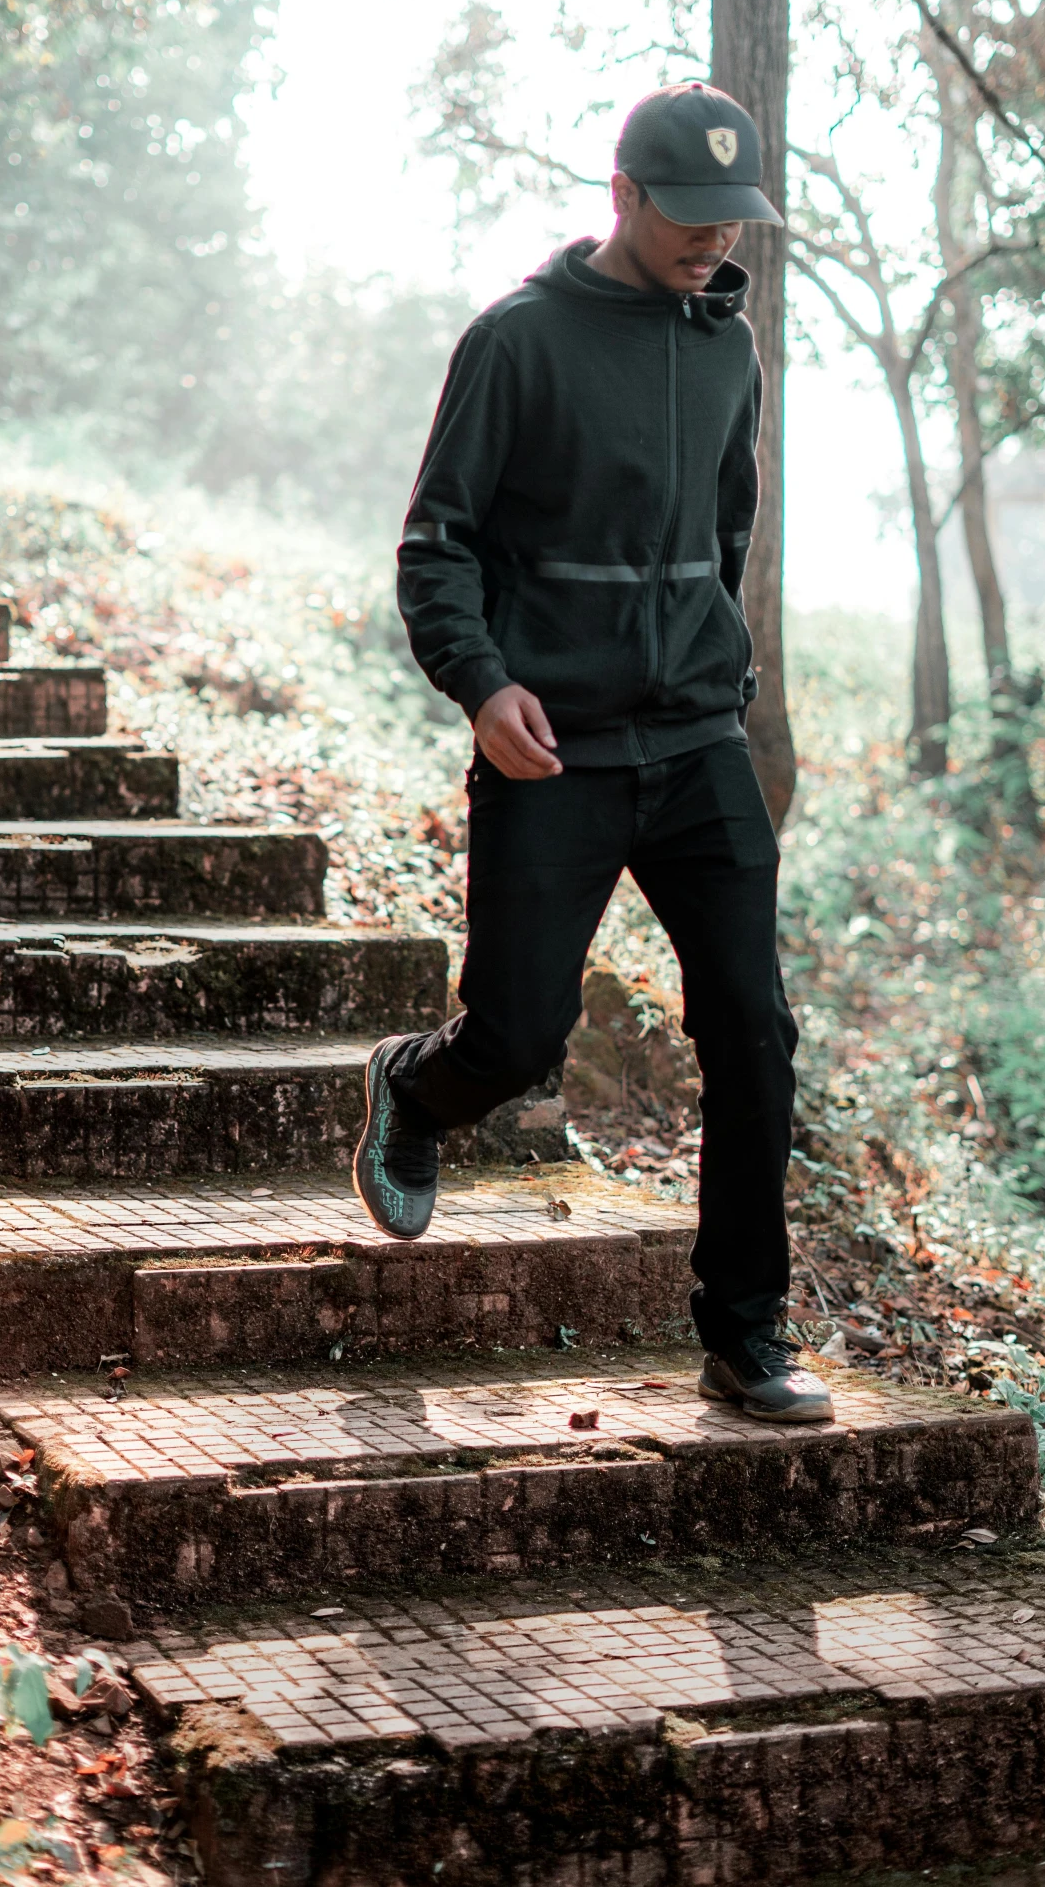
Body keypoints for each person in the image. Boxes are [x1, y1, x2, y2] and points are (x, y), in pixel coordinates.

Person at [351, 81, 832, 1426]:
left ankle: (743, 1334)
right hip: (550, 753)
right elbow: (434, 545)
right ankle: (411, 1086)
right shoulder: (515, 342)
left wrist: (710, 670)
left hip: (693, 746)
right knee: (517, 1037)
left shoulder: (728, 351)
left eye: (731, 223)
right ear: (620, 197)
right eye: (688, 217)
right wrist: (484, 684)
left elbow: (720, 539)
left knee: (752, 1029)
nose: (713, 243)